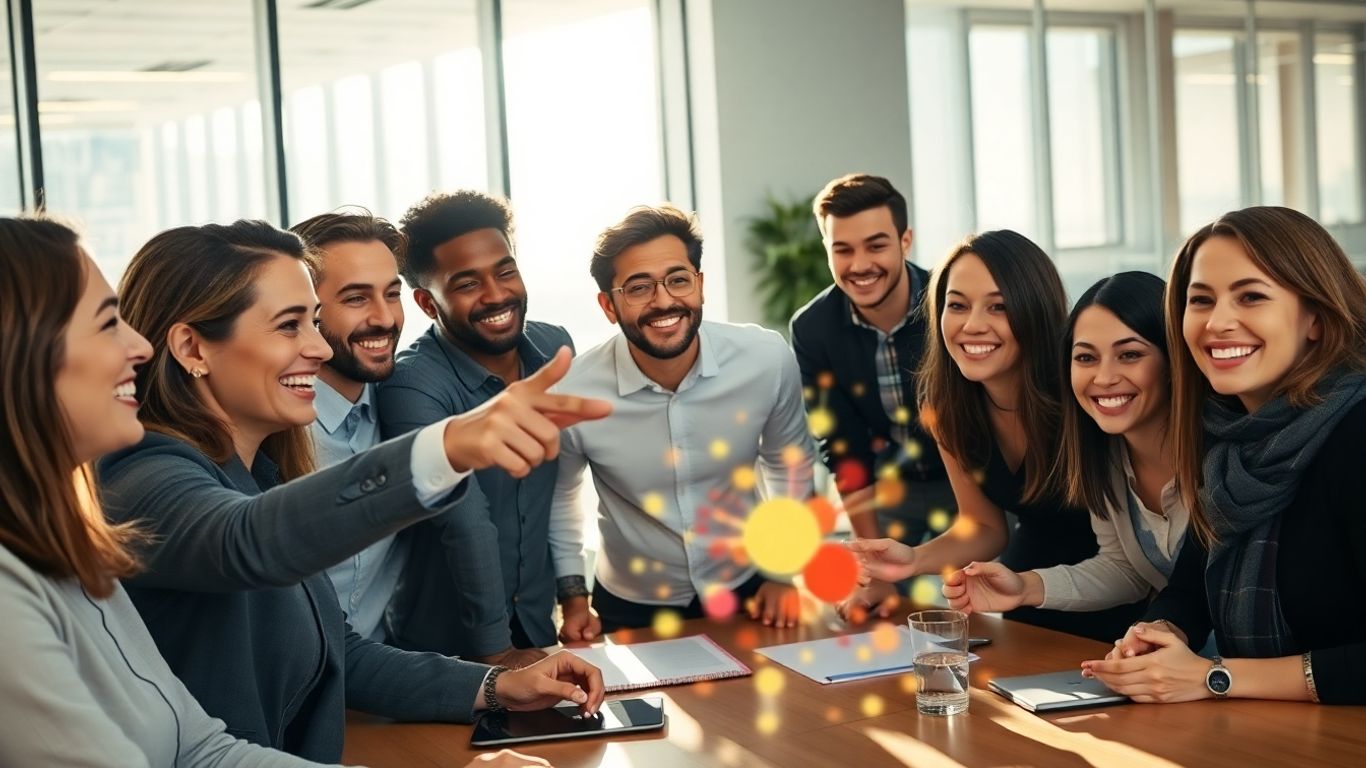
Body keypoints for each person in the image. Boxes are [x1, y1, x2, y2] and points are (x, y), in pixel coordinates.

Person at [97, 219, 608, 761]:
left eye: (314, 321)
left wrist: (497, 686)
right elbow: (246, 542)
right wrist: (445, 447)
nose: (319, 348)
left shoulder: (259, 473)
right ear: (192, 348)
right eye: (290, 326)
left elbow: (340, 652)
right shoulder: (143, 476)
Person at [1084, 207, 1366, 705]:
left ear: (1316, 318)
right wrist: (1157, 634)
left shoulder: (1356, 431)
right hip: (1264, 729)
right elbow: (1190, 588)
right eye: (1201, 300)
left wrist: (1214, 677)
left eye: (1250, 296)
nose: (1217, 323)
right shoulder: (1229, 437)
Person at [849, 231, 1146, 641]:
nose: (972, 325)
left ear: (1035, 310)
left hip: (1124, 596)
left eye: (998, 306)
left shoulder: (1087, 394)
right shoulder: (946, 407)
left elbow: (1138, 552)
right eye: (957, 305)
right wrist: (912, 560)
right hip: (1027, 590)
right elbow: (984, 527)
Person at [551, 205, 818, 636]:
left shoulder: (766, 359)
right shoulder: (571, 392)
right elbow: (561, 499)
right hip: (629, 603)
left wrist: (783, 572)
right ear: (608, 306)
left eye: (678, 280)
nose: (663, 301)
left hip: (749, 587)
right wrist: (573, 598)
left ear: (700, 285)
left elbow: (790, 466)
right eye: (638, 288)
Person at [377, 191, 566, 667]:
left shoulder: (554, 348)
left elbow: (565, 484)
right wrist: (496, 651)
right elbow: (465, 521)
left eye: (505, 271)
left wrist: (572, 592)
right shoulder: (412, 384)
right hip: (446, 651)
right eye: (467, 284)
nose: (497, 294)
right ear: (427, 303)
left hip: (539, 628)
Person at [941, 272, 1187, 615]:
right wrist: (1023, 587)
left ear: (1174, 359)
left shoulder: (1216, 456)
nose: (1104, 378)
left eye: (1130, 354)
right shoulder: (1104, 451)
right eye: (1086, 358)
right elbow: (1126, 570)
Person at [790, 173, 954, 622]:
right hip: (891, 486)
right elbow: (843, 446)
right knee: (867, 608)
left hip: (974, 483)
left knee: (984, 603)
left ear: (905, 241)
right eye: (842, 249)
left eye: (876, 245)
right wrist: (871, 568)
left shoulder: (950, 304)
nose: (859, 264)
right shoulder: (813, 329)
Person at [288, 210, 414, 643]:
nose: (385, 318)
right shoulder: (276, 434)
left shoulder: (404, 404)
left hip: (382, 668)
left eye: (392, 294)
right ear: (307, 310)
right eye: (357, 298)